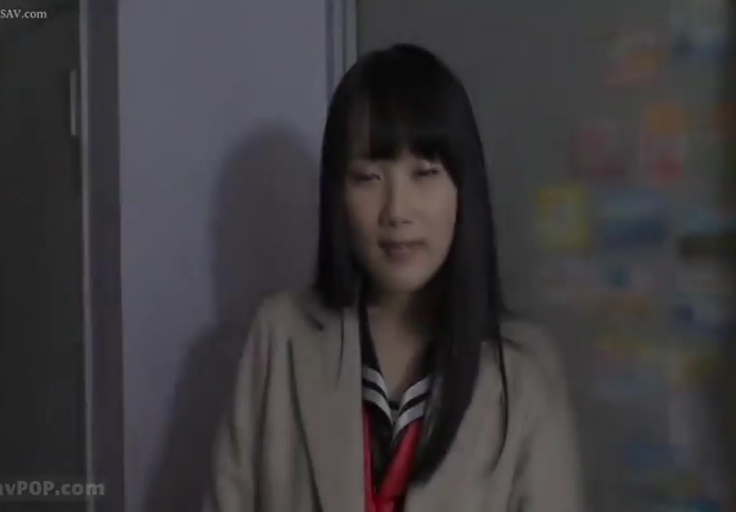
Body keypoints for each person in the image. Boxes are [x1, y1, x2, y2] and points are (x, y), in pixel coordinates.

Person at [213, 43, 583, 512]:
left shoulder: (524, 370)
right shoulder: (281, 337)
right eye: (368, 177)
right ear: (338, 194)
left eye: (424, 173)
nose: (396, 211)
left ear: (463, 188)